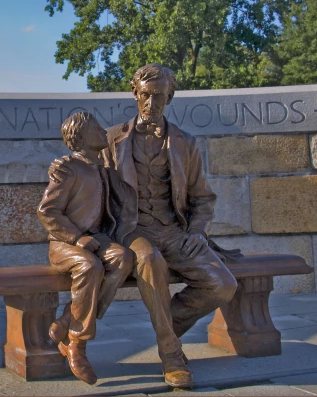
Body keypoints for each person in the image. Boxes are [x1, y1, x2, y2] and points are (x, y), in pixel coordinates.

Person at [50, 64, 238, 389]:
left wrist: (197, 231)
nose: (152, 104)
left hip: (176, 231)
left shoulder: (186, 143)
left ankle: (165, 322)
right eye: (146, 96)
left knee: (223, 284)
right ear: (136, 94)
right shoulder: (110, 139)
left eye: (160, 97)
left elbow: (202, 198)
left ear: (170, 97)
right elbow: (82, 162)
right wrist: (64, 164)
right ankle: (171, 355)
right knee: (149, 261)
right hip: (132, 231)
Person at [37, 111, 133, 385]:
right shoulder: (67, 168)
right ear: (80, 137)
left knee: (123, 258)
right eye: (96, 128)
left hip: (96, 240)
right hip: (66, 244)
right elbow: (47, 212)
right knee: (89, 266)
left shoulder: (101, 167)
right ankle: (77, 345)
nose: (104, 131)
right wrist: (77, 238)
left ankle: (67, 320)